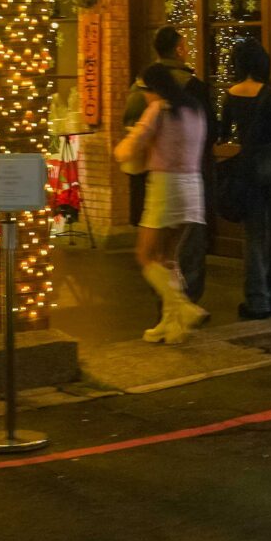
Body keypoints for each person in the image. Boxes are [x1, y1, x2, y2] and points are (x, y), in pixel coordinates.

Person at [115, 58, 210, 344]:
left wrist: (120, 150)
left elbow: (131, 147)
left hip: (165, 187)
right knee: (168, 259)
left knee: (145, 256)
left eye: (144, 89)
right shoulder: (194, 109)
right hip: (193, 187)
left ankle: (183, 306)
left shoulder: (158, 109)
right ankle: (171, 325)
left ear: (153, 88)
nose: (143, 95)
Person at [217, 38, 271, 319]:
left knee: (253, 234)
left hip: (249, 167)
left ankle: (257, 301)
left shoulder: (231, 94)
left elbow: (224, 132)